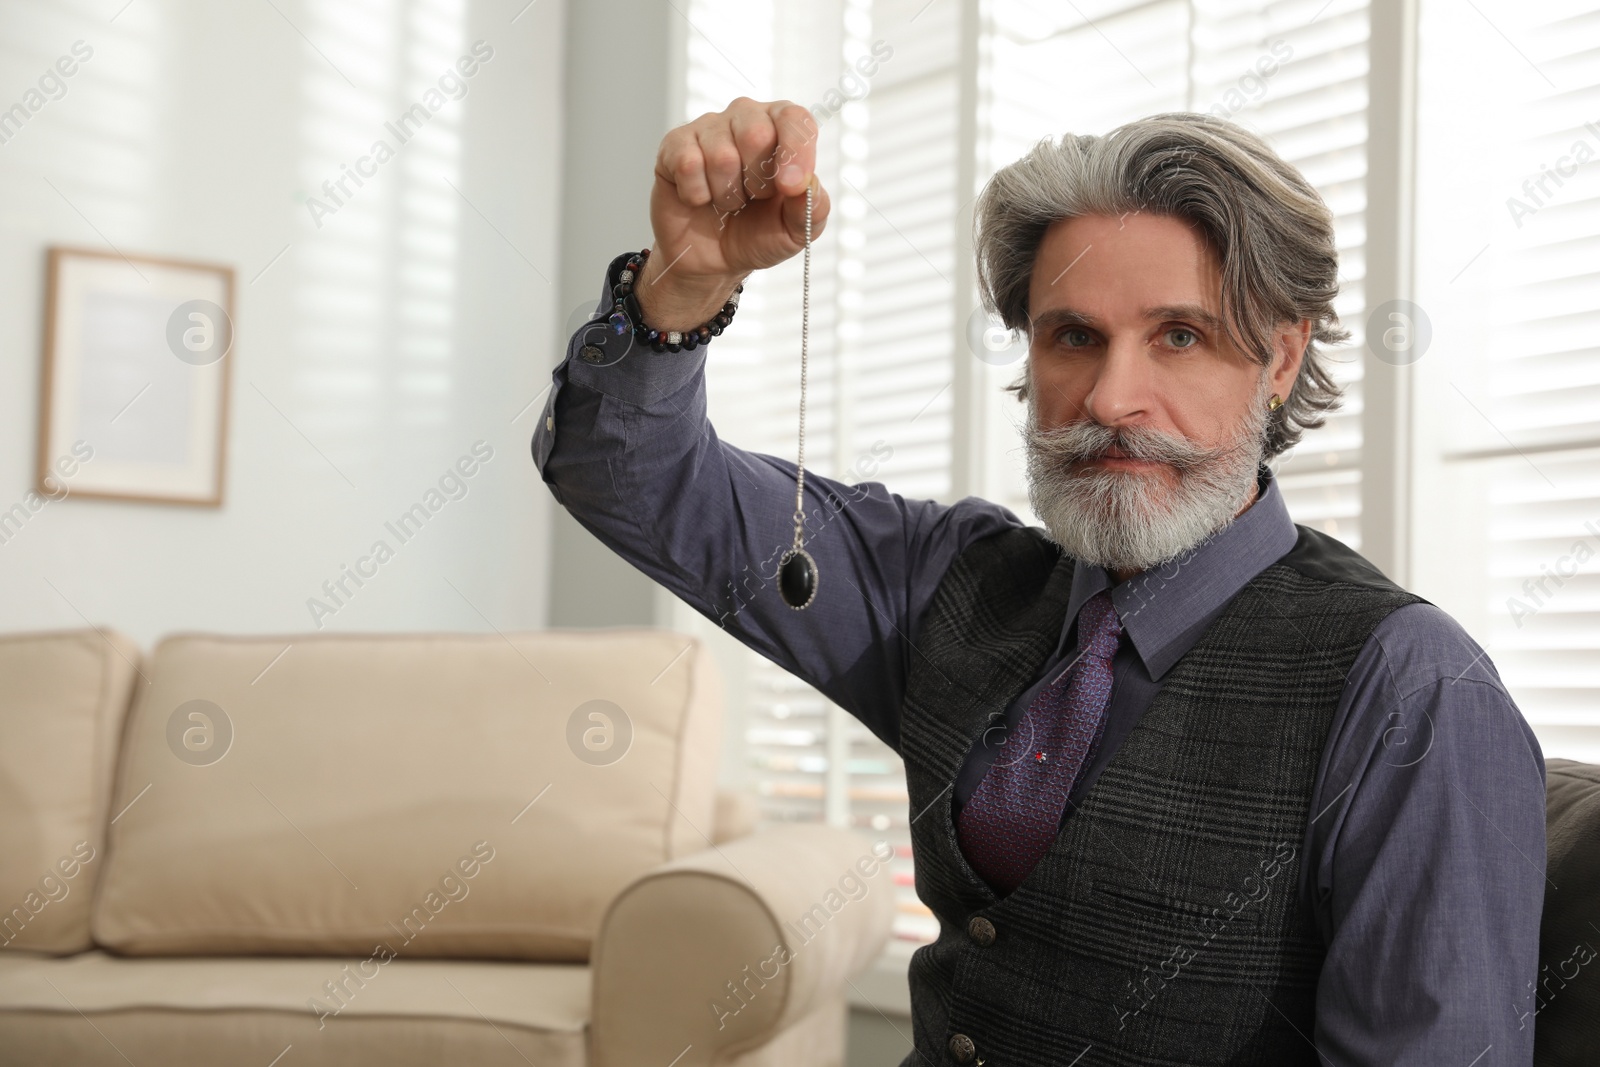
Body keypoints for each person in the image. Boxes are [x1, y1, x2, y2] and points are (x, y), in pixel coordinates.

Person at [532, 97, 1547, 1066]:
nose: (1111, 397)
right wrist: (681, 287)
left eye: (1178, 336)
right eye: (1073, 336)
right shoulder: (946, 582)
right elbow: (628, 478)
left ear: (1279, 359)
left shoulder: (1410, 688)